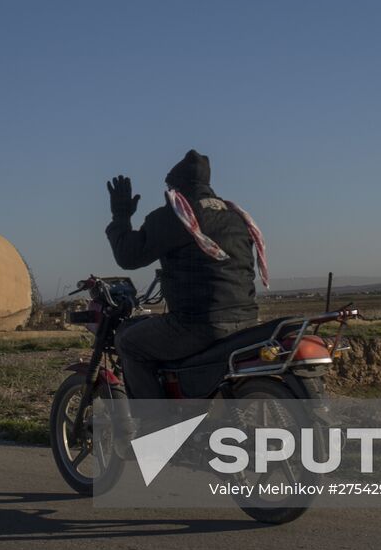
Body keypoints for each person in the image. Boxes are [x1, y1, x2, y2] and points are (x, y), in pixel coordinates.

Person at [105, 150, 269, 405]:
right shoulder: (235, 216)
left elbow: (129, 256)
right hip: (246, 321)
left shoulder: (177, 215)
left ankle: (157, 429)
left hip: (199, 324)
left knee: (129, 343)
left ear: (175, 187)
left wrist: (121, 217)